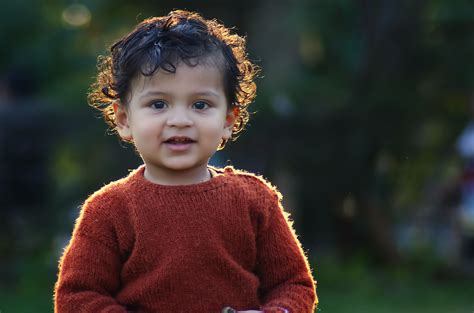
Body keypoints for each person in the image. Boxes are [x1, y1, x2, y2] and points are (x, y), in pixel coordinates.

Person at [54, 10, 317, 313]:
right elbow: (77, 297)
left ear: (228, 120)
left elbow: (293, 284)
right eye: (158, 104)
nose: (180, 120)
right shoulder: (109, 211)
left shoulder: (255, 200)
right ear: (124, 119)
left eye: (200, 104)